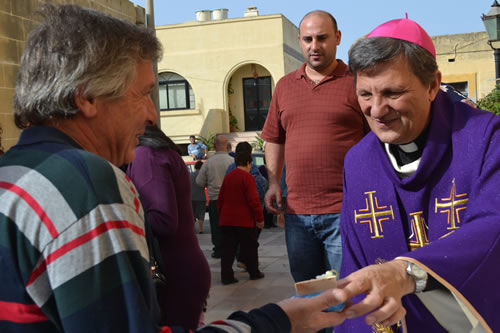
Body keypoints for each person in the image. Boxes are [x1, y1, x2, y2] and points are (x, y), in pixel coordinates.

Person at [0, 4, 350, 333]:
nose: (153, 115)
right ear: (88, 97)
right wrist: (278, 320)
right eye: (143, 93)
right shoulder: (85, 184)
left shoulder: (12, 175)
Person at [334, 18, 500, 332]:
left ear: (433, 85)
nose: (377, 110)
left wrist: (407, 272)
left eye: (392, 93)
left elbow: (495, 224)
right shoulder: (358, 161)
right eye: (365, 95)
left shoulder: (486, 138)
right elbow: (355, 263)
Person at [261, 10, 370, 284]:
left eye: (322, 38)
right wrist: (274, 182)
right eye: (308, 39)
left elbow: (376, 142)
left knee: (345, 292)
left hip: (345, 210)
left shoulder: (358, 83)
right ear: (299, 40)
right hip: (297, 213)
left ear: (337, 38)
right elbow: (274, 138)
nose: (314, 46)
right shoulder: (285, 87)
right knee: (309, 295)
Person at [127, 125, 211, 329]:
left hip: (172, 274)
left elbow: (163, 220)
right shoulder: (153, 153)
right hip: (177, 270)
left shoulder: (145, 155)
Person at [218, 151, 265, 285]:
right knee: (250, 247)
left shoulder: (228, 177)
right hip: (244, 220)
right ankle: (254, 272)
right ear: (248, 163)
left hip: (227, 220)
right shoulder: (248, 178)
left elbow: (220, 199)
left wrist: (222, 215)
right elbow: (253, 201)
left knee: (227, 250)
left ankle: (226, 276)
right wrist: (259, 219)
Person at [196, 134, 233, 258]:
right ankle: (232, 249)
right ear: (227, 146)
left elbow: (199, 181)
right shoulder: (232, 161)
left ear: (214, 146)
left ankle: (219, 250)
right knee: (231, 226)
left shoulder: (209, 163)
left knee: (216, 226)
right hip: (230, 200)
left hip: (215, 199)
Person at [191, 160, 207, 234]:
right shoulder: (203, 175)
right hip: (201, 197)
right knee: (201, 214)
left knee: (192, 214)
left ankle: (193, 229)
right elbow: (206, 184)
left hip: (191, 197)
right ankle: (201, 229)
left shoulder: (190, 174)